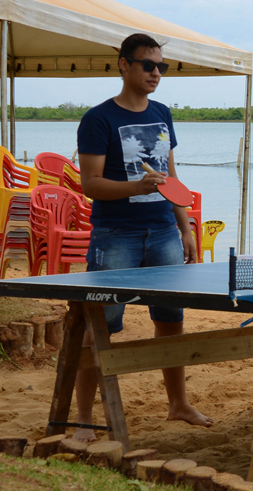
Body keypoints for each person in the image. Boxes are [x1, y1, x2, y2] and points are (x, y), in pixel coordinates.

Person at [71, 32, 212, 440]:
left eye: (161, 67)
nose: (156, 73)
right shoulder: (98, 119)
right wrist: (137, 187)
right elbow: (90, 184)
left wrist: (185, 227)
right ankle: (84, 418)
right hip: (116, 234)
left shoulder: (163, 113)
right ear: (124, 65)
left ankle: (178, 404)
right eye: (148, 65)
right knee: (100, 326)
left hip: (164, 231)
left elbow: (171, 177)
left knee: (170, 320)